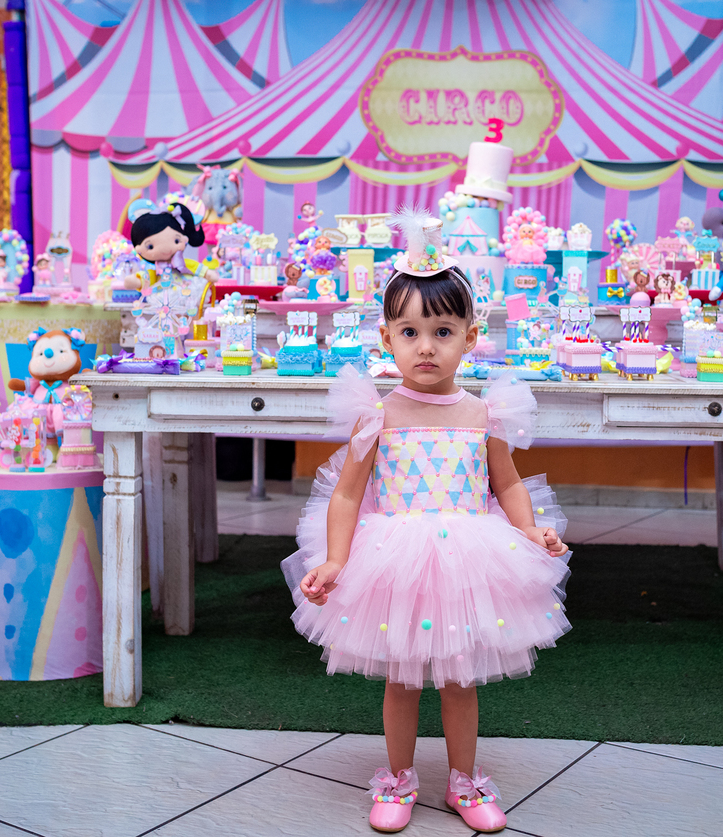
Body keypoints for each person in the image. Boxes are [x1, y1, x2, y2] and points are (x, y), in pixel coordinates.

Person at [281, 207, 570, 834]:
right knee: (403, 679)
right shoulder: (376, 415)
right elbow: (347, 496)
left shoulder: (484, 414)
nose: (426, 347)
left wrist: (529, 532)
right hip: (395, 560)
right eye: (410, 332)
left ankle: (465, 781)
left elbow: (506, 482)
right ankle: (398, 778)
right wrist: (335, 559)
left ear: (471, 336)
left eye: (442, 331)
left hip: (468, 558)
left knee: (460, 679)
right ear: (386, 338)